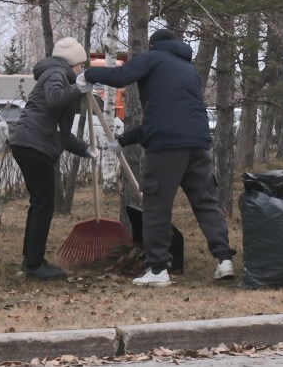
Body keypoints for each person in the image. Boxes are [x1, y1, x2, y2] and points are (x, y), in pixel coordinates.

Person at [80, 29, 236, 287]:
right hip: (197, 143)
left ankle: (157, 269)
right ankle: (224, 260)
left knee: (156, 205)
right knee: (206, 202)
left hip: (166, 149)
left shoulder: (152, 57)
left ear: (154, 45)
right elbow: (168, 119)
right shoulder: (188, 70)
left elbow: (122, 77)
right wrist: (121, 141)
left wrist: (89, 74)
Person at [10, 37, 97, 280]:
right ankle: (35, 264)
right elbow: (54, 99)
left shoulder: (56, 75)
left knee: (40, 203)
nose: (81, 70)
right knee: (44, 204)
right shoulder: (56, 74)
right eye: (80, 66)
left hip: (28, 143)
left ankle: (32, 260)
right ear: (71, 63)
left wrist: (87, 150)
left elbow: (61, 135)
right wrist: (79, 87)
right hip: (33, 146)